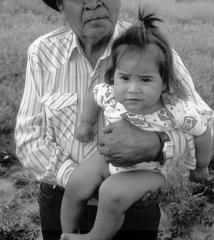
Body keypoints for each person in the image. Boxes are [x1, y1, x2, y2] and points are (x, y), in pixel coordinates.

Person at [14, 0, 214, 240]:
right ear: (60, 5)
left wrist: (159, 144)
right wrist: (79, 179)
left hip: (133, 204)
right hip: (61, 197)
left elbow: (204, 123)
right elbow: (28, 137)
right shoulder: (42, 53)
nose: (92, 2)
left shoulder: (153, 54)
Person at [60, 13, 212, 240]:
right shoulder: (111, 94)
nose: (133, 88)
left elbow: (203, 131)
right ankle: (66, 232)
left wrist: (201, 166)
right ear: (114, 77)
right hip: (109, 160)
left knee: (111, 193)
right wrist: (86, 122)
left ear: (164, 83)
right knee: (76, 181)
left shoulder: (175, 110)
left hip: (149, 170)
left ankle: (94, 237)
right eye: (125, 78)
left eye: (145, 79)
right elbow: (94, 95)